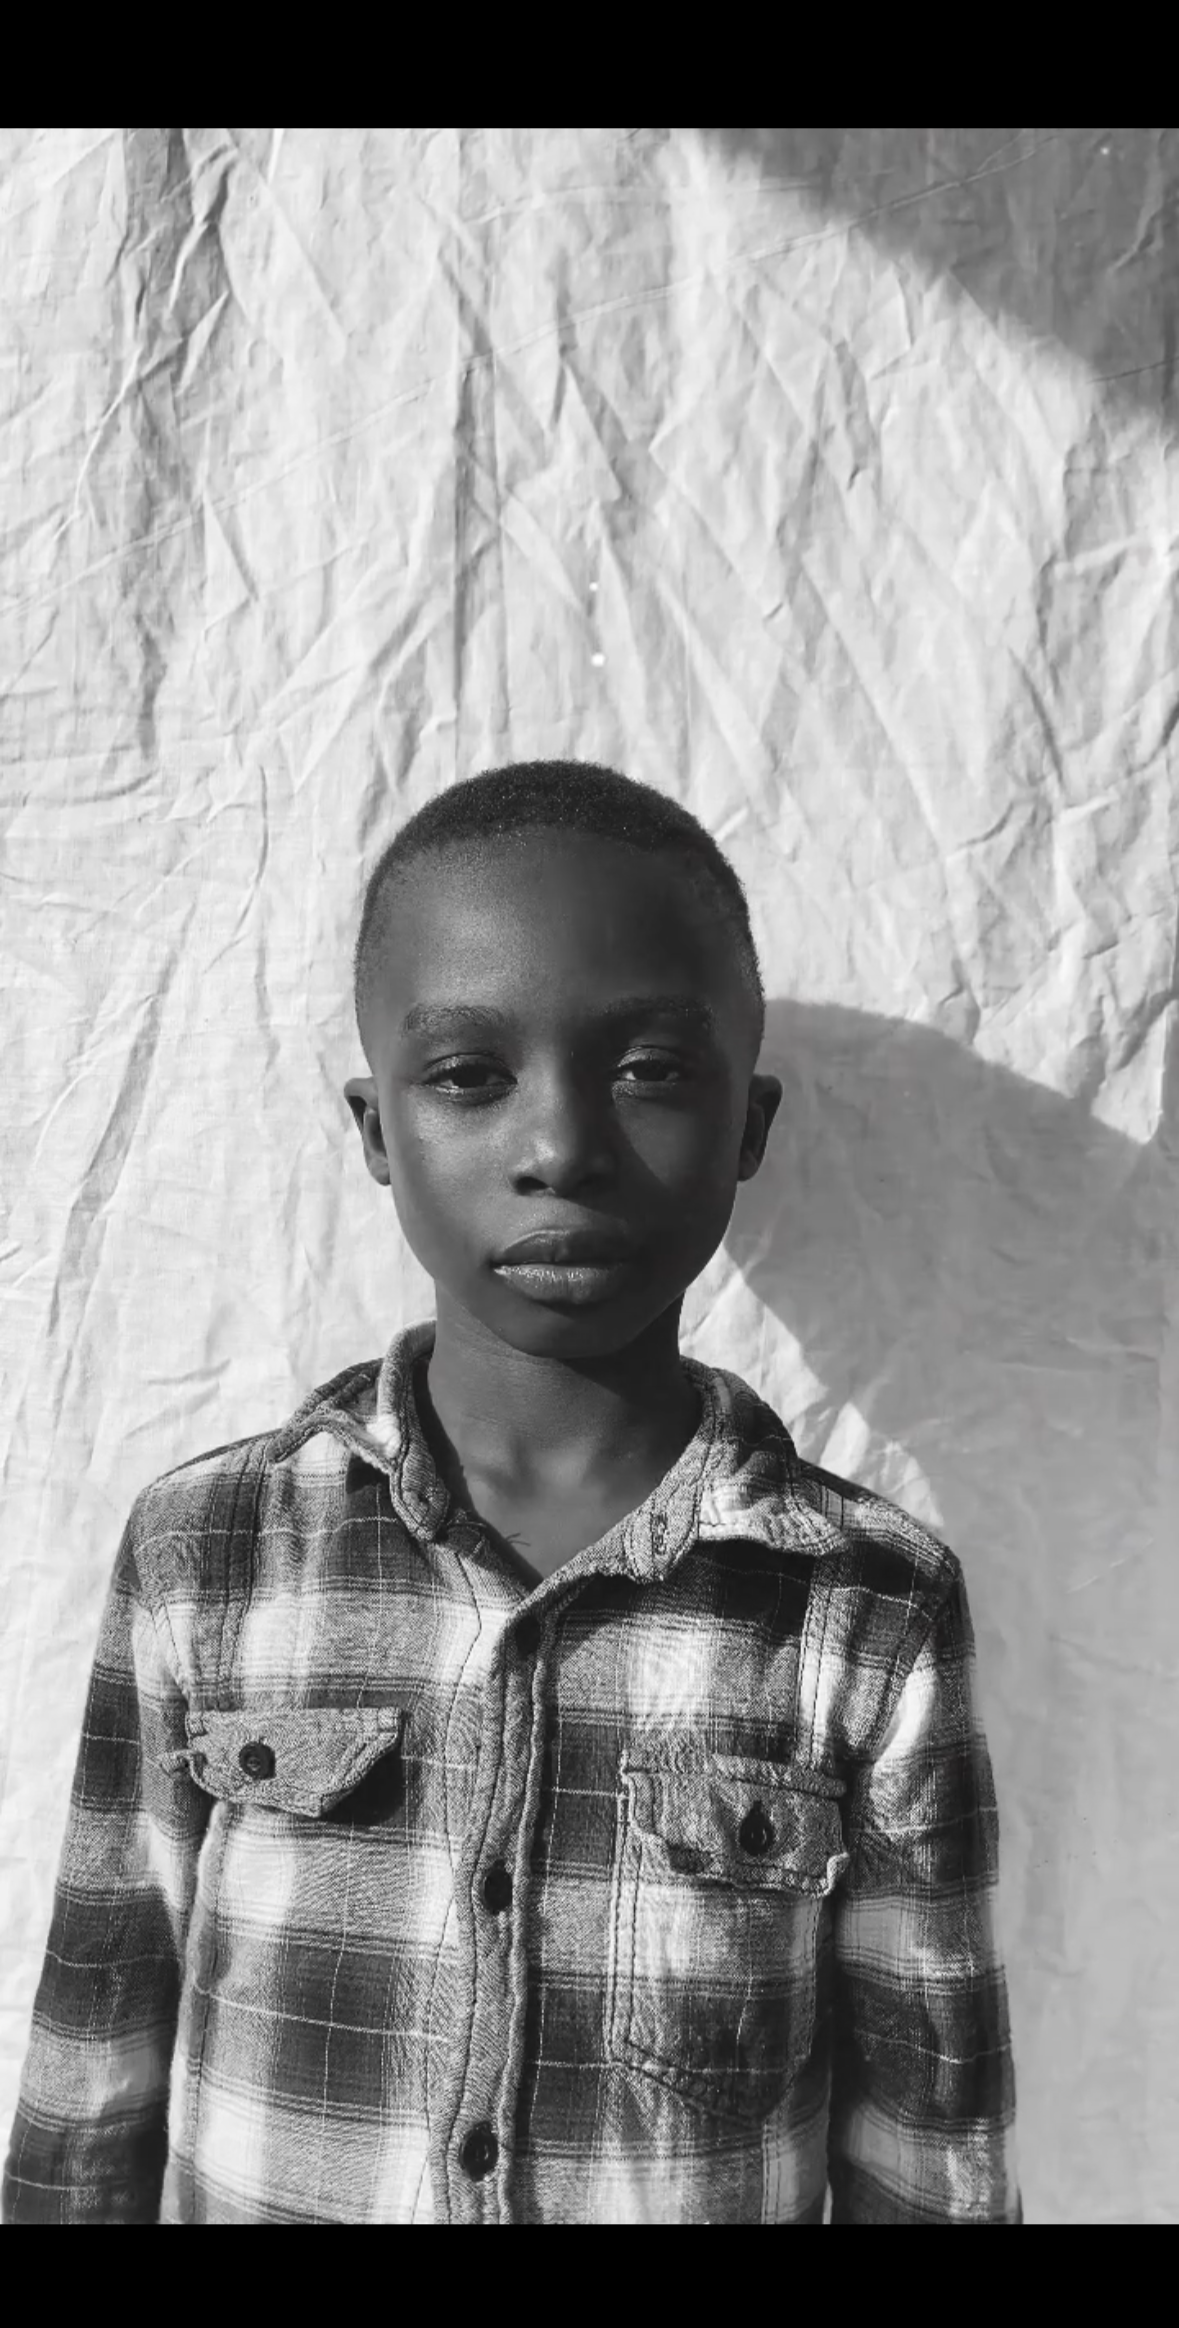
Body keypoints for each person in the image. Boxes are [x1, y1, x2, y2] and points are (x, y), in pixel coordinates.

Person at [2, 759, 1022, 2224]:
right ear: (374, 1129)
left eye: (650, 1071)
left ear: (749, 1124)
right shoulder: (206, 1553)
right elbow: (94, 2050)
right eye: (470, 1075)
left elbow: (928, 2138)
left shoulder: (861, 1602)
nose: (560, 1150)